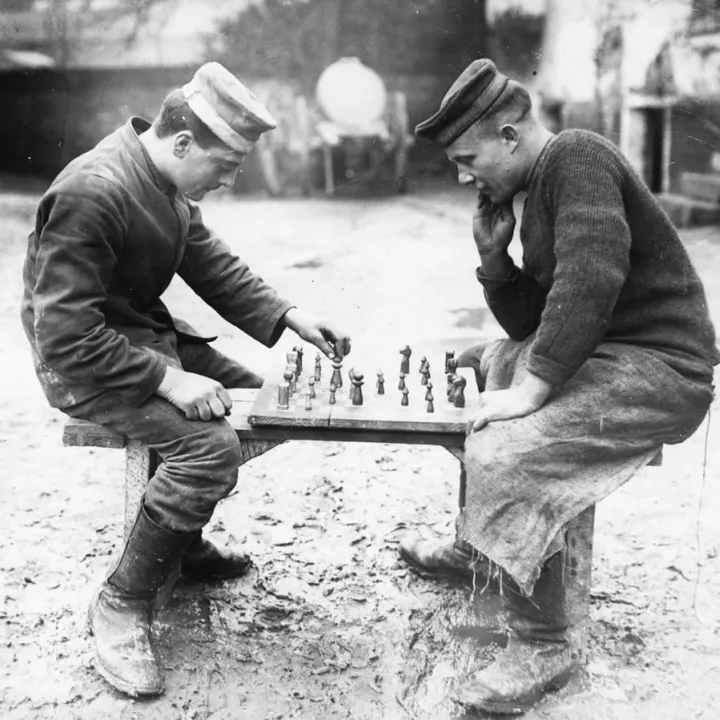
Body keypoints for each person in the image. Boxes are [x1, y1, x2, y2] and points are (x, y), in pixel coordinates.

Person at [20, 62, 351, 698]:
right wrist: (168, 382)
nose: (229, 179)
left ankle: (178, 539)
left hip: (136, 337)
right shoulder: (95, 190)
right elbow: (64, 335)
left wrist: (290, 315)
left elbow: (210, 262)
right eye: (225, 165)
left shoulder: (163, 179)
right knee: (209, 446)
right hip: (86, 364)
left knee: (263, 399)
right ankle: (122, 602)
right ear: (182, 144)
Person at [399, 58, 718, 715]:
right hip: (611, 354)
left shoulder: (577, 156)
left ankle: (546, 642)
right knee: (492, 363)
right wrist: (495, 260)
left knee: (512, 443)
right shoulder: (537, 186)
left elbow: (593, 276)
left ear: (510, 137)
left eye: (468, 157)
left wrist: (534, 388)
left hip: (661, 367)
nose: (463, 175)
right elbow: (534, 325)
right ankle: (479, 545)